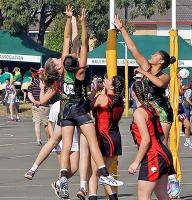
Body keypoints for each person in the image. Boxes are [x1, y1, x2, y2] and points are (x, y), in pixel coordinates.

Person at [40, 5, 123, 199]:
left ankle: (68, 180)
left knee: (72, 153)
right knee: (84, 145)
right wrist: (81, 23)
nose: (65, 57)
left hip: (69, 112)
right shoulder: (75, 73)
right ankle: (94, 179)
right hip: (76, 111)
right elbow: (79, 45)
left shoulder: (62, 75)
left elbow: (69, 42)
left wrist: (72, 21)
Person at [114, 15, 180, 198]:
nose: (151, 56)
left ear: (161, 61)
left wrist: (144, 72)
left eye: (156, 55)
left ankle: (172, 177)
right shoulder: (145, 65)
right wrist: (122, 29)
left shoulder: (164, 74)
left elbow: (159, 84)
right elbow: (133, 48)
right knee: (148, 141)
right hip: (147, 109)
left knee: (161, 143)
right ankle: (149, 167)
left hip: (161, 110)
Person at [24, 100, 79, 197]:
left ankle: (58, 183)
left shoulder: (79, 102)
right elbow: (50, 122)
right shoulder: (57, 105)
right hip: (61, 140)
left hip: (74, 139)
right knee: (64, 167)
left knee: (74, 168)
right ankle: (33, 169)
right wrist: (52, 136)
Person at [129, 80, 173, 200]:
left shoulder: (139, 112)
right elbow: (161, 136)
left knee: (143, 195)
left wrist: (136, 162)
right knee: (161, 192)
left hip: (153, 156)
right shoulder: (153, 108)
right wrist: (167, 157)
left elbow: (146, 139)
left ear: (133, 93)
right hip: (162, 153)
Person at [87, 75, 125, 200]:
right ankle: (113, 197)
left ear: (112, 86)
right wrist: (103, 90)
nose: (106, 80)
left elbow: (86, 106)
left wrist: (94, 91)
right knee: (104, 173)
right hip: (115, 139)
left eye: (109, 79)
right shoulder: (119, 100)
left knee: (94, 172)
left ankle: (92, 196)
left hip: (102, 138)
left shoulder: (102, 98)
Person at [28, 68, 50, 145]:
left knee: (37, 123)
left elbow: (29, 93)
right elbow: (49, 95)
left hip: (35, 106)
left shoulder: (33, 82)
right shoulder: (47, 83)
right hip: (44, 105)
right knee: (46, 124)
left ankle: (38, 140)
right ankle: (49, 139)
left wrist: (34, 101)